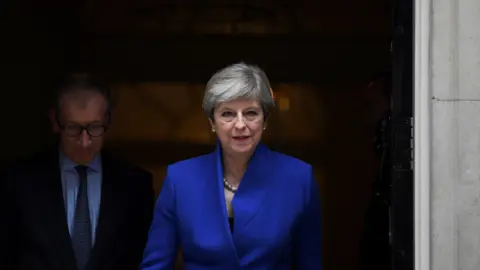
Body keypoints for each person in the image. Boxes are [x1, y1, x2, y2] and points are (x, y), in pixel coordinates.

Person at [140, 63, 323, 269]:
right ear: (212, 122)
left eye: (251, 113)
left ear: (265, 120)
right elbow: (155, 265)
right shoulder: (180, 179)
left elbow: (310, 264)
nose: (240, 124)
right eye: (227, 114)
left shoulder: (298, 178)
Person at [0, 74, 154, 270]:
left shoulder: (135, 186)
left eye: (95, 127)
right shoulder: (18, 183)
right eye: (73, 128)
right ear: (55, 121)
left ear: (109, 120)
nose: (84, 142)